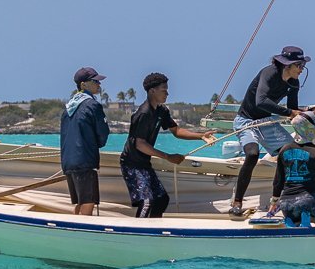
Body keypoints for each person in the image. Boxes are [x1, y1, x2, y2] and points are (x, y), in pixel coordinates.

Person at [226, 47, 315, 216]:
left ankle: (291, 198)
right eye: (299, 65)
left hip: (267, 122)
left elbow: (292, 109)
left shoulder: (293, 82)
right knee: (252, 154)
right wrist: (290, 113)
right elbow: (261, 101)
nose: (302, 69)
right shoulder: (269, 73)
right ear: (286, 65)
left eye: (303, 65)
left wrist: (312, 110)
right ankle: (237, 202)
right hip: (246, 121)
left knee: (293, 153)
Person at [119, 72, 215, 218]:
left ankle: (153, 229)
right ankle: (140, 232)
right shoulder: (143, 113)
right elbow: (140, 144)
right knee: (147, 201)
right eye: (164, 90)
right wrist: (167, 157)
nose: (167, 93)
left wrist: (201, 136)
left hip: (144, 163)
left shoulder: (161, 111)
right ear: (152, 91)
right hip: (131, 163)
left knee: (162, 200)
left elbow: (177, 131)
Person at [62, 66, 111, 216]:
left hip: (68, 161)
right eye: (95, 81)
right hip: (84, 161)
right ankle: (79, 235)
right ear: (83, 84)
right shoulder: (92, 105)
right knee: (88, 201)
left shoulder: (69, 106)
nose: (99, 84)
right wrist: (97, 144)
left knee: (80, 202)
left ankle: (72, 231)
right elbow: (102, 133)